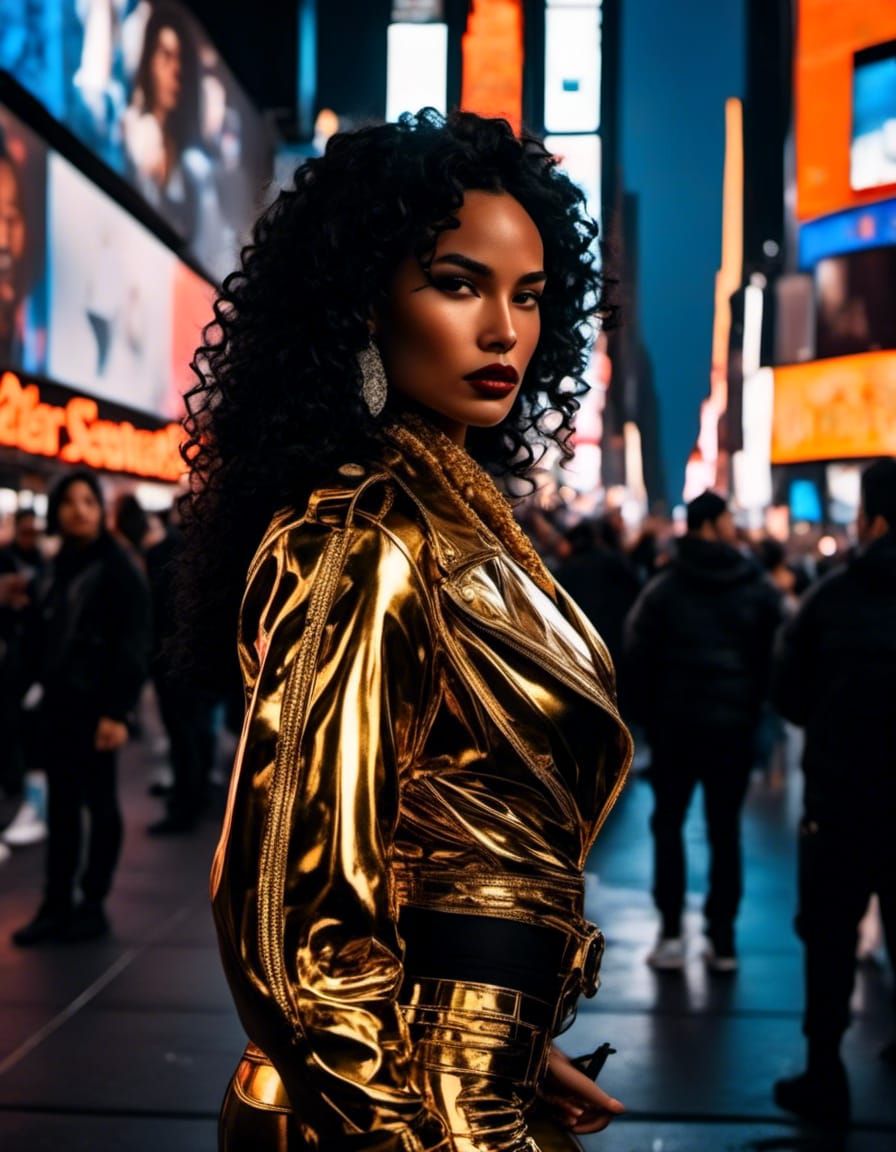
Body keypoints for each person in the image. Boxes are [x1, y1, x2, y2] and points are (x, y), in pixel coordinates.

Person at [176, 108, 633, 1151]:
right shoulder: (363, 533)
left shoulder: (447, 508)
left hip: (465, 1078)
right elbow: (295, 915)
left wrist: (508, 1040)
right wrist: (405, 1130)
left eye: (528, 297)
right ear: (363, 302)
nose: (502, 331)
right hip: (404, 1111)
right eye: (458, 283)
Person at [771, 459, 896, 1126]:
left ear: (871, 518)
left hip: (842, 801)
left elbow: (788, 695)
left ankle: (826, 1072)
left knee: (829, 940)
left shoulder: (831, 597)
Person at [624, 491, 780, 972]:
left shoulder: (664, 586)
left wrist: (648, 721)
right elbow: (772, 659)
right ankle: (723, 939)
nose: (734, 525)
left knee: (668, 826)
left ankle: (671, 933)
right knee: (724, 830)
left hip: (675, 730)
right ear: (711, 524)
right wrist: (757, 716)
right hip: (732, 730)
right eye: (729, 517)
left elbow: (635, 658)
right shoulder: (754, 584)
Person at [11, 471, 151, 947]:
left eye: (88, 501)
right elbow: (38, 638)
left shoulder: (117, 568)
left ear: (100, 509)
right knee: (64, 807)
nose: (79, 510)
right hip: (58, 706)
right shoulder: (55, 567)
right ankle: (56, 904)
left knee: (101, 805)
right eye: (69, 501)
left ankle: (92, 902)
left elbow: (133, 644)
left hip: (96, 707)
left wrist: (117, 711)